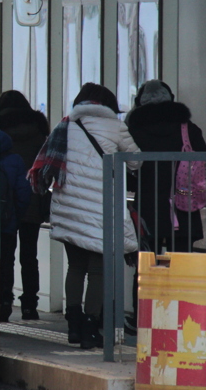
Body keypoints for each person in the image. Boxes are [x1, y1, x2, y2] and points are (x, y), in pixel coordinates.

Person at [29, 83, 140, 349]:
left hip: (69, 207)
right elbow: (136, 161)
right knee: (97, 270)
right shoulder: (115, 127)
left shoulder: (66, 125)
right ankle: (91, 328)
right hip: (101, 207)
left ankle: (74, 326)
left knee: (75, 267)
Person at [125, 79, 206, 253]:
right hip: (183, 203)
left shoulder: (134, 132)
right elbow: (203, 161)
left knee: (147, 264)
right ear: (171, 99)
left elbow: (127, 170)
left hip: (148, 206)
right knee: (181, 264)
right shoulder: (188, 129)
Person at [0, 90, 50, 320]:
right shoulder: (39, 130)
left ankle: (4, 303)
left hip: (4, 205)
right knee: (30, 256)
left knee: (5, 257)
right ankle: (30, 304)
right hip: (33, 200)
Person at [0, 130, 33, 322]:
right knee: (6, 263)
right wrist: (14, 218)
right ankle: (4, 302)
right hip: (7, 224)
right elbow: (23, 194)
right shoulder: (15, 160)